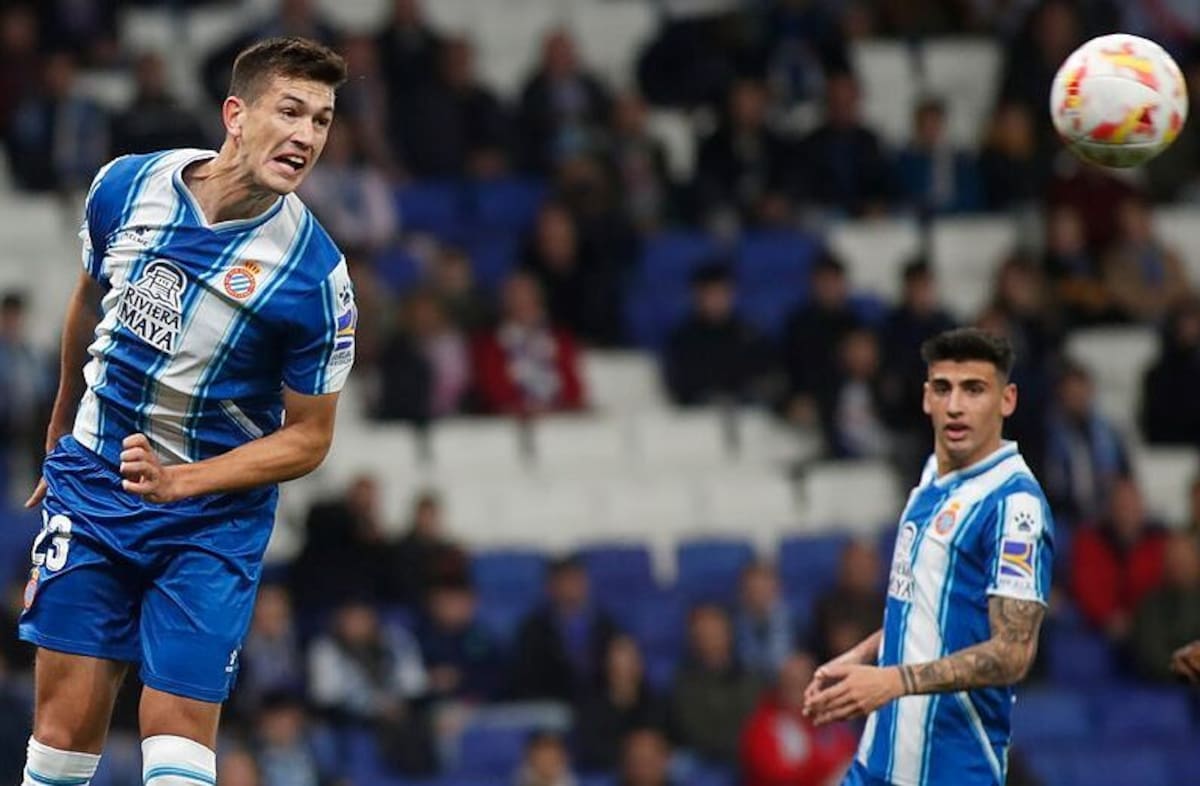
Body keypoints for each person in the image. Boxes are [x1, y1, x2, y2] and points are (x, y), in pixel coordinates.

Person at [16, 38, 353, 786]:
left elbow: (310, 439)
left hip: (211, 519)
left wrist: (183, 482)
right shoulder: (126, 184)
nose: (305, 135)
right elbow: (89, 302)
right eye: (289, 111)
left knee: (175, 740)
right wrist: (60, 428)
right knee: (61, 737)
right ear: (236, 115)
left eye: (321, 121)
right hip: (97, 484)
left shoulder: (314, 275)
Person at [804, 328, 1054, 786]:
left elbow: (1013, 653)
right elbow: (929, 610)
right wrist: (861, 655)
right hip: (878, 762)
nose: (955, 405)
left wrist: (892, 681)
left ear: (1007, 400)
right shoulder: (932, 477)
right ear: (926, 398)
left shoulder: (1014, 506)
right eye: (943, 388)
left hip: (949, 770)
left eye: (974, 390)